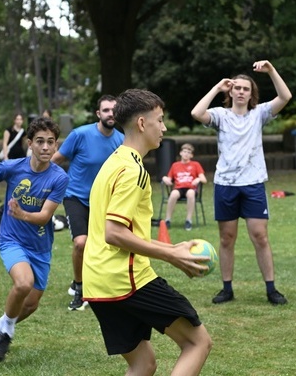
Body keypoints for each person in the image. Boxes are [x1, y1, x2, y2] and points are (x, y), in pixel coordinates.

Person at [83, 88, 212, 375]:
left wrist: (171, 250)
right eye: (160, 120)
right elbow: (114, 233)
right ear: (142, 123)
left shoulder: (114, 161)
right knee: (198, 342)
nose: (164, 128)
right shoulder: (133, 171)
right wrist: (171, 254)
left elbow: (118, 231)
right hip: (126, 280)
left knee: (143, 364)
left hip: (97, 281)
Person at [0, 116, 68, 362]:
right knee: (23, 284)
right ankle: (7, 334)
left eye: (50, 142)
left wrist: (22, 214)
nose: (45, 147)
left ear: (56, 145)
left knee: (31, 304)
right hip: (11, 239)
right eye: (40, 141)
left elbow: (44, 217)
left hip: (40, 246)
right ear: (30, 144)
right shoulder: (13, 167)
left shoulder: (59, 177)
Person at [191, 60, 292, 305]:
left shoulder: (259, 114)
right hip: (225, 184)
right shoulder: (221, 115)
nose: (241, 92)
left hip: (253, 183)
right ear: (231, 91)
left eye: (246, 89)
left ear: (251, 94)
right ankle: (227, 289)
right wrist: (217, 88)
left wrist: (271, 71)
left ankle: (271, 289)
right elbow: (196, 113)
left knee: (260, 236)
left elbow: (285, 96)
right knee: (227, 238)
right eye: (237, 87)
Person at [51, 94, 124, 311]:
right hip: (76, 196)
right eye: (106, 110)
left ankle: (99, 284)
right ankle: (80, 287)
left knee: (105, 245)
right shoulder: (80, 134)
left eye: (114, 110)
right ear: (98, 114)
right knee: (81, 243)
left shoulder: (121, 140)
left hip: (103, 201)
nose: (110, 114)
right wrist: (43, 185)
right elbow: (56, 160)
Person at [162, 143, 207, 231]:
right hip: (179, 188)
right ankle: (167, 220)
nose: (186, 154)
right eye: (184, 152)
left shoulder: (195, 164)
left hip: (191, 188)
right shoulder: (175, 165)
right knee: (173, 194)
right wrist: (164, 178)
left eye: (188, 152)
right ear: (181, 153)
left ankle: (188, 220)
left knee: (190, 193)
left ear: (191, 155)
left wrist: (198, 179)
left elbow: (204, 179)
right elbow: (169, 179)